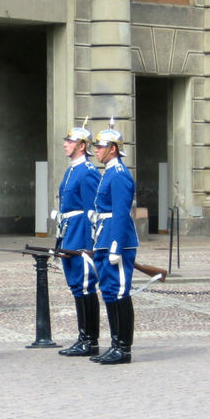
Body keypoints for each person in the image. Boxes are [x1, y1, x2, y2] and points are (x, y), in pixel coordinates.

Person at [89, 119, 138, 365]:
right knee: (109, 291)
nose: (96, 150)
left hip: (117, 239)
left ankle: (123, 348)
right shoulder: (108, 173)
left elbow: (120, 212)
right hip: (105, 236)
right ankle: (115, 343)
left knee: (119, 292)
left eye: (100, 146)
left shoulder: (119, 175)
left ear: (113, 149)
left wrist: (116, 246)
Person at [55, 121, 102, 357]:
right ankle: (83, 336)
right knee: (76, 286)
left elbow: (91, 211)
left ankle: (90, 340)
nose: (65, 144)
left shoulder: (88, 172)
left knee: (85, 286)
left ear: (82, 146)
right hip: (69, 233)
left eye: (70, 141)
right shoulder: (72, 169)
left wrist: (88, 245)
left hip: (81, 235)